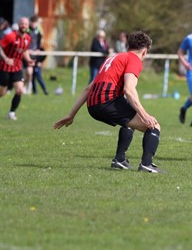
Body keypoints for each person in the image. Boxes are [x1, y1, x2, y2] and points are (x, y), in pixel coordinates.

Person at [53, 31, 164, 173]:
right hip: (107, 101)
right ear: (144, 51)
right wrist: (144, 115)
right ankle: (146, 165)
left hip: (93, 105)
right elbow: (129, 90)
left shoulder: (113, 58)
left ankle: (120, 160)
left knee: (128, 121)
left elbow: (88, 88)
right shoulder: (134, 59)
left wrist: (71, 115)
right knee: (153, 127)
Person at [0, 17, 35, 120]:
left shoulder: (28, 38)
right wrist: (6, 58)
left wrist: (28, 60)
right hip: (4, 67)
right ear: (18, 24)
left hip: (17, 67)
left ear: (28, 26)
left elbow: (25, 51)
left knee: (19, 90)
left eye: (25, 24)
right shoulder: (11, 36)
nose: (23, 26)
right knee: (2, 92)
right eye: (21, 23)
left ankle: (11, 113)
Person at [24, 15, 43, 94]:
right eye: (34, 23)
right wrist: (27, 49)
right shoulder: (27, 31)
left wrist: (38, 49)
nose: (35, 24)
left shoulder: (38, 31)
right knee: (28, 72)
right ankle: (26, 85)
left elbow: (39, 41)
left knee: (30, 72)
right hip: (27, 54)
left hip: (34, 54)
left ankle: (28, 86)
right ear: (31, 23)